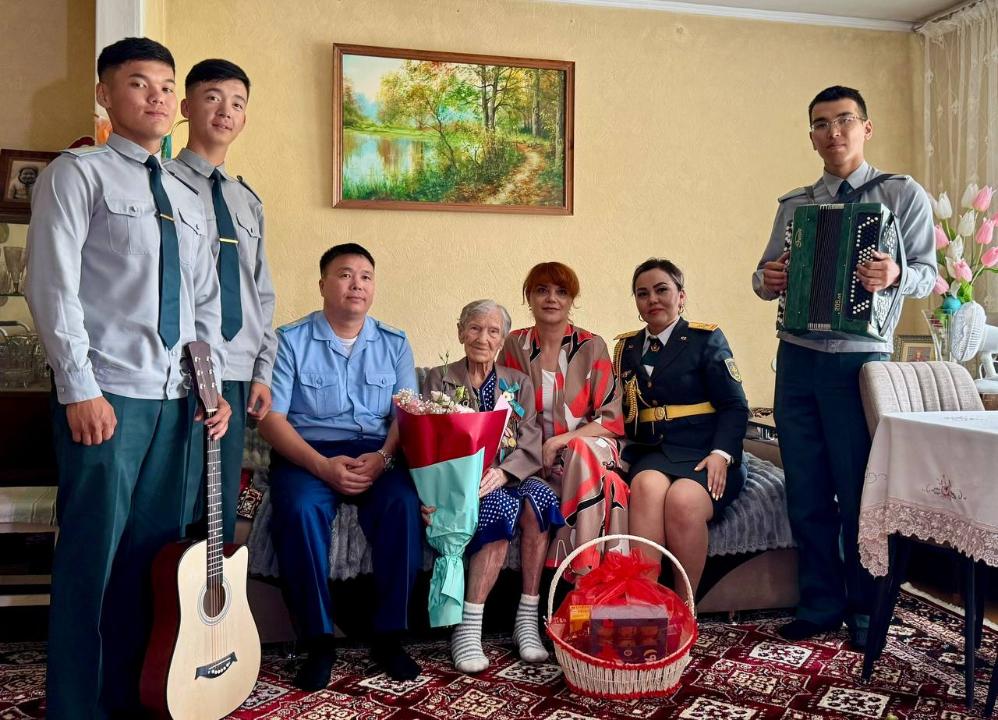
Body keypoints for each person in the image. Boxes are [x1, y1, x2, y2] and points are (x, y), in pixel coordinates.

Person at [24, 37, 231, 719]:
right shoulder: (77, 174)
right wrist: (79, 387)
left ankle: (136, 699)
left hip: (178, 404)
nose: (158, 97)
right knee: (92, 562)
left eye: (167, 86)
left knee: (154, 566)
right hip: (107, 396)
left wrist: (210, 389)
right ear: (105, 95)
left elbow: (202, 302)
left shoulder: (188, 191)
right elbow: (52, 286)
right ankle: (77, 707)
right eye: (140, 83)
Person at [753, 85, 936, 647]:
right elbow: (762, 278)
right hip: (797, 357)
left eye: (844, 120)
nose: (833, 132)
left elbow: (929, 274)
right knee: (806, 488)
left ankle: (865, 607)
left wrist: (897, 274)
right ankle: (819, 604)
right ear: (811, 136)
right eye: (821, 124)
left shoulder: (901, 194)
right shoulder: (796, 204)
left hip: (860, 362)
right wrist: (771, 278)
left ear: (866, 128)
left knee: (859, 489)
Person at [258, 242, 422, 689]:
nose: (357, 285)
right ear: (323, 284)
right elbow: (272, 420)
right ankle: (318, 641)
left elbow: (406, 414)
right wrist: (321, 467)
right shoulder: (288, 341)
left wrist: (384, 458)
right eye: (345, 274)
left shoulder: (394, 342)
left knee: (404, 505)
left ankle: (389, 636)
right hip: (308, 453)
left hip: (375, 452)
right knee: (298, 511)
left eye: (366, 277)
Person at [422, 299, 565, 673]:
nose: (482, 338)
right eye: (474, 328)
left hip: (509, 476)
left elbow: (531, 441)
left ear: (502, 339)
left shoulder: (517, 383)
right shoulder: (438, 379)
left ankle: (527, 619)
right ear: (460, 332)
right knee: (499, 506)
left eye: (492, 331)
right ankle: (469, 628)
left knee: (541, 498)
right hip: (461, 484)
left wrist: (505, 473)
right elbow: (427, 442)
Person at [166, 58, 276, 542]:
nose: (225, 111)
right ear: (186, 107)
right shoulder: (163, 184)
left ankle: (212, 593)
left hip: (235, 369)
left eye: (237, 103)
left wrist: (262, 370)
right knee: (172, 502)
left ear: (244, 118)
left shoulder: (246, 200)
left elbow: (260, 290)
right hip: (177, 366)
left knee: (220, 509)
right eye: (212, 98)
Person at [614, 259, 749, 596]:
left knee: (683, 500)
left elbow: (734, 406)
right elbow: (620, 410)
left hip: (706, 450)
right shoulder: (626, 348)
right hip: (655, 452)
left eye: (662, 290)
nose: (652, 299)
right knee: (645, 486)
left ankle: (685, 605)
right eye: (642, 293)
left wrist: (722, 454)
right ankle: (645, 601)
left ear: (681, 296)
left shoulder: (705, 339)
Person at [498, 261, 628, 579]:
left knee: (582, 450)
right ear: (529, 298)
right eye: (542, 290)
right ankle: (589, 573)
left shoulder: (592, 345)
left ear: (572, 300)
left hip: (590, 450)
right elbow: (504, 409)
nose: (551, 298)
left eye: (561, 292)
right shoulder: (515, 344)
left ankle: (583, 571)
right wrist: (529, 452)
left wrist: (559, 441)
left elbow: (610, 420)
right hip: (534, 457)